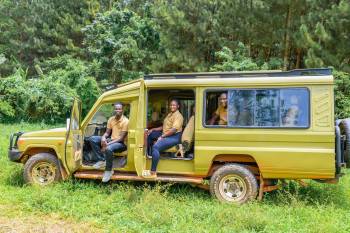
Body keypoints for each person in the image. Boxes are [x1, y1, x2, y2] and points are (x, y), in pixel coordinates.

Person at [89, 102, 129, 182]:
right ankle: (102, 160)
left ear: (122, 110)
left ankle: (108, 171)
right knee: (92, 139)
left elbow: (121, 138)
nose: (117, 110)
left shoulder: (126, 121)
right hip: (111, 140)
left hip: (121, 143)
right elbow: (107, 132)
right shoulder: (111, 119)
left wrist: (106, 144)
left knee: (108, 149)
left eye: (119, 109)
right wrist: (103, 138)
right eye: (116, 109)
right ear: (114, 109)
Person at [145, 99, 184, 178]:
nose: (172, 106)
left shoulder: (178, 116)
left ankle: (153, 172)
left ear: (178, 106)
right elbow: (164, 126)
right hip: (166, 134)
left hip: (174, 137)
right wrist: (153, 129)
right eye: (171, 105)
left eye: (174, 105)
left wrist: (162, 137)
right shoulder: (170, 114)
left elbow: (174, 130)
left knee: (156, 147)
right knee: (150, 134)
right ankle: (148, 156)